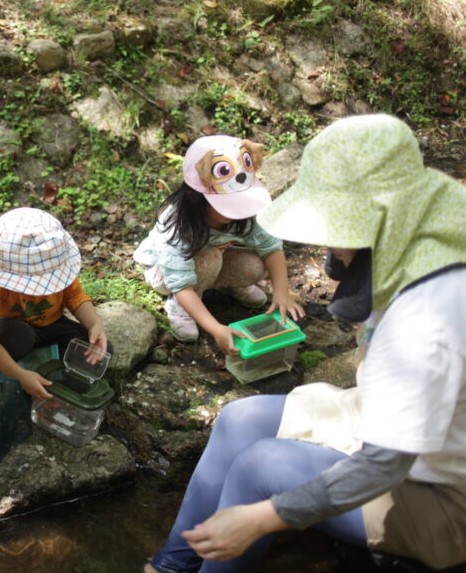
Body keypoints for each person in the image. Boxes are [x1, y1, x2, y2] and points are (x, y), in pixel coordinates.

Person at [144, 114, 466, 573]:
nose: (326, 248)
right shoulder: (418, 247)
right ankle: (171, 566)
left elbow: (385, 463)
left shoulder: (423, 320)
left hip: (440, 492)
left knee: (260, 467)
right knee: (240, 418)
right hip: (394, 424)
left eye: (333, 231)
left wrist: (261, 518)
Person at [133, 135, 304, 352]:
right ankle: (179, 307)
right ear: (198, 199)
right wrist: (215, 328)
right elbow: (181, 282)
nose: (237, 211)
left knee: (255, 265)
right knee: (210, 258)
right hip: (165, 272)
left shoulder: (245, 216)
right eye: (230, 205)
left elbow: (271, 248)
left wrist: (282, 291)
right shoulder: (178, 222)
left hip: (211, 259)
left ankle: (230, 286)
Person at [0, 207, 111, 400]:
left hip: (53, 324)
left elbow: (76, 297)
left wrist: (95, 324)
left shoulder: (56, 266)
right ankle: (19, 378)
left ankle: (58, 389)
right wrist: (17, 375)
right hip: (17, 329)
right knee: (17, 335)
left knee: (99, 349)